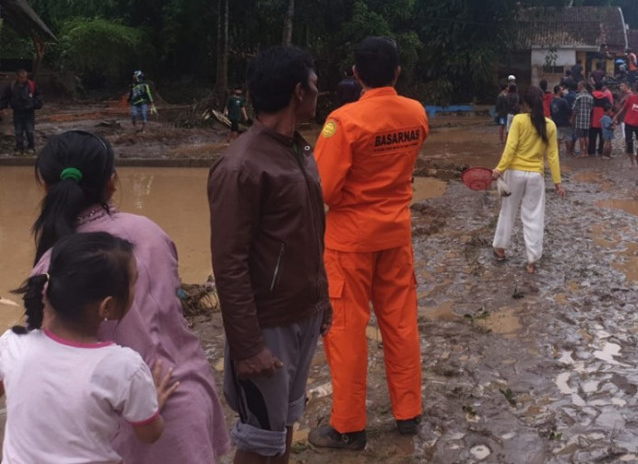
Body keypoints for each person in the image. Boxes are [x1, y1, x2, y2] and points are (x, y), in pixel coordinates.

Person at [31, 130, 230, 463]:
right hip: (182, 395)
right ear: (111, 182)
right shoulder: (150, 233)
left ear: (47, 188)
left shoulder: (51, 264)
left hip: (110, 423)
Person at [208, 46, 330, 463]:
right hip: (268, 325)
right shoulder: (241, 166)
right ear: (299, 92)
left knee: (283, 428)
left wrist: (321, 300)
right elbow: (228, 263)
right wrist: (247, 346)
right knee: (259, 440)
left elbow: (310, 232)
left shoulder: (299, 150)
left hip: (303, 313)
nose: (319, 93)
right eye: (315, 86)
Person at [310, 37, 429, 451]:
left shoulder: (343, 122)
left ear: (356, 74)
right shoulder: (416, 113)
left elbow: (322, 189)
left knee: (346, 331)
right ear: (398, 72)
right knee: (400, 322)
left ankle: (347, 425)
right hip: (396, 234)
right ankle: (408, 413)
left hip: (349, 242)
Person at [1, 233, 180, 462]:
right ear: (107, 306)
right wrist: (152, 402)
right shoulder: (124, 367)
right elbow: (149, 434)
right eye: (135, 281)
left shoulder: (13, 344)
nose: (137, 287)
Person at [491, 85, 565, 273]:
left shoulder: (518, 120)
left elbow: (511, 147)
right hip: (535, 176)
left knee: (508, 211)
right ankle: (531, 261)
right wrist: (557, 183)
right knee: (533, 217)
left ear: (524, 103)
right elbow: (553, 156)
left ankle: (500, 249)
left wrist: (499, 169)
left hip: (514, 173)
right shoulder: (550, 125)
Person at [0, 68, 42, 154]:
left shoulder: (31, 85)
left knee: (30, 131)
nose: (23, 79)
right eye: (21, 77)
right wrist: (3, 107)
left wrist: (34, 105)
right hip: (17, 112)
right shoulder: (11, 86)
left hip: (29, 112)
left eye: (25, 77)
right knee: (18, 131)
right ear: (17, 77)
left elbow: (39, 96)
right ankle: (19, 148)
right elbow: (5, 97)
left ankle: (31, 147)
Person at [569, 81, 594, 157]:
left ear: (581, 86)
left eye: (578, 85)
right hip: (587, 118)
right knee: (586, 136)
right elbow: (592, 108)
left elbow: (575, 109)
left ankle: (582, 152)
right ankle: (586, 152)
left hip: (579, 119)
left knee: (581, 136)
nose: (577, 87)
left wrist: (572, 118)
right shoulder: (590, 96)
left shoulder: (578, 96)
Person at [550, 85, 573, 156]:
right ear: (558, 91)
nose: (563, 91)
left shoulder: (552, 101)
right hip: (565, 122)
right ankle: (568, 153)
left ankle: (557, 153)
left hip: (556, 123)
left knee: (557, 139)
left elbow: (551, 112)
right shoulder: (563, 101)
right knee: (568, 138)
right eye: (561, 90)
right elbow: (569, 111)